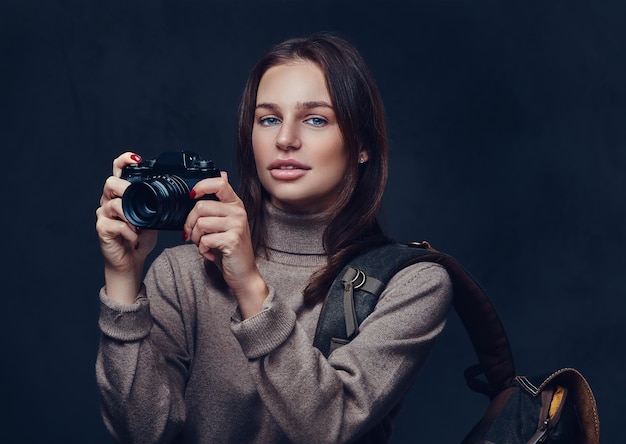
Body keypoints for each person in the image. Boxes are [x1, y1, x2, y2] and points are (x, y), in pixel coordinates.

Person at [95, 32, 453, 443]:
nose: (285, 139)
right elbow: (142, 433)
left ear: (363, 145)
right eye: (268, 119)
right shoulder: (183, 271)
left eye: (316, 119)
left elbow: (328, 428)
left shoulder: (410, 284)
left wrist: (249, 286)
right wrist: (122, 282)